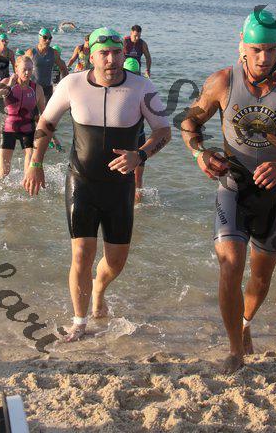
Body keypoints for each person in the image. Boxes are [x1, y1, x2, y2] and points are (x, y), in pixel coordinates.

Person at [181, 10, 276, 374]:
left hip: (275, 192)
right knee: (230, 264)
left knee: (260, 278)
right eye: (257, 49)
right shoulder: (222, 81)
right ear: (242, 46)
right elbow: (189, 121)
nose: (264, 58)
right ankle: (235, 349)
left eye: (271, 49)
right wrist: (200, 153)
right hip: (233, 186)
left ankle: (246, 323)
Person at [23, 27, 171, 342]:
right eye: (104, 53)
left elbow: (163, 131)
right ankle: (79, 322)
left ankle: (99, 290)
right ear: (91, 56)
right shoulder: (72, 84)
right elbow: (46, 123)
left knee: (116, 261)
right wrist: (36, 163)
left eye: (117, 53)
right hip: (82, 182)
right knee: (81, 254)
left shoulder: (142, 88)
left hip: (119, 188)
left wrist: (140, 156)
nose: (111, 60)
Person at [0, 55, 45, 178]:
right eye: (24, 69)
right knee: (4, 172)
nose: (27, 73)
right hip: (9, 128)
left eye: (30, 69)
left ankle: (26, 188)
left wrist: (52, 136)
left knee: (30, 170)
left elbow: (43, 115)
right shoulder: (6, 82)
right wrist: (8, 87)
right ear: (16, 69)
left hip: (28, 129)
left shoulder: (37, 89)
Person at [26, 28, 68, 151]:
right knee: (35, 117)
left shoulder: (53, 53)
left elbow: (63, 67)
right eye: (45, 38)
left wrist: (64, 84)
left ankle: (50, 138)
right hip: (33, 89)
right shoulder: (31, 52)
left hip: (47, 89)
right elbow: (21, 66)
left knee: (47, 115)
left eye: (50, 38)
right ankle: (48, 139)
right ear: (39, 37)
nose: (48, 40)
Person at [123, 57, 146, 203]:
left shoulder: (143, 91)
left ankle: (136, 207)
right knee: (132, 179)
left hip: (135, 138)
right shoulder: (143, 89)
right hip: (131, 138)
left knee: (136, 179)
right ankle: (134, 205)